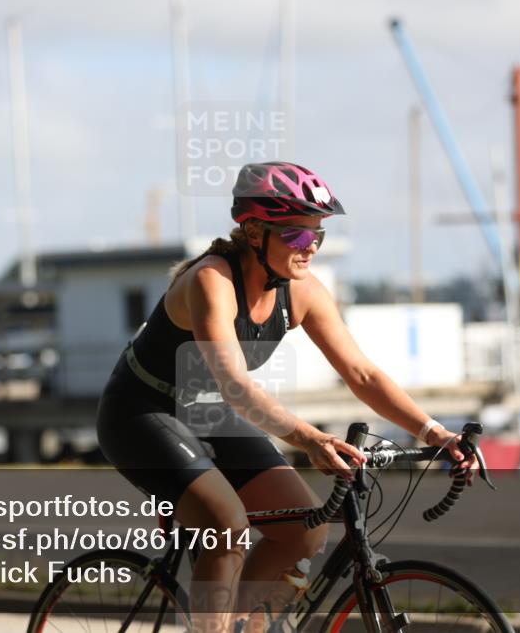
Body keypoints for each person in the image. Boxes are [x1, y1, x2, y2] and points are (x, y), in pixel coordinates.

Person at [96, 162, 477, 633]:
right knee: (225, 525)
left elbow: (361, 373)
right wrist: (311, 438)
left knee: (306, 529)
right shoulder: (211, 281)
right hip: (141, 411)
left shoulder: (303, 293)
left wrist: (435, 432)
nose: (310, 248)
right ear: (254, 232)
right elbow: (236, 386)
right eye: (297, 236)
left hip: (207, 414)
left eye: (316, 236)